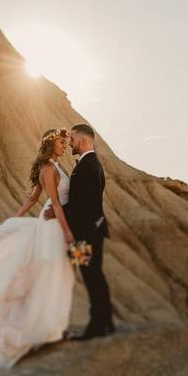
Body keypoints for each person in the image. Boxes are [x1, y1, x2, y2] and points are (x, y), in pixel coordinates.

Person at [0, 128, 76, 372]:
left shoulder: (54, 165)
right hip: (54, 223)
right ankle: (44, 328)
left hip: (53, 219)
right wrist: (67, 232)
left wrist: (15, 218)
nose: (64, 146)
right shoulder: (48, 168)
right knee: (55, 274)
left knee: (58, 274)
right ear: (50, 143)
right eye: (61, 142)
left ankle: (52, 326)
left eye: (66, 143)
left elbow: (34, 198)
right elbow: (54, 202)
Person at [44, 123, 115, 340]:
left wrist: (57, 212)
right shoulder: (88, 163)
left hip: (87, 235)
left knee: (91, 276)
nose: (70, 142)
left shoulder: (89, 165)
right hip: (88, 232)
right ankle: (106, 321)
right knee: (94, 276)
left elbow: (83, 203)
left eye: (73, 138)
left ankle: (97, 327)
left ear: (83, 140)